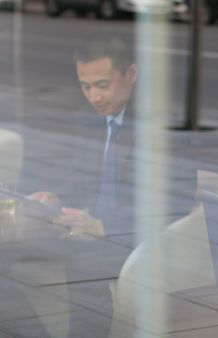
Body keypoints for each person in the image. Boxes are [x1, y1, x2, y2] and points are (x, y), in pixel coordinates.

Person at [30, 35, 194, 239]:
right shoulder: (88, 117)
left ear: (131, 74)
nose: (94, 97)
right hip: (92, 238)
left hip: (137, 247)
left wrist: (103, 228)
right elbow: (84, 180)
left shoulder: (162, 128)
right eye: (86, 87)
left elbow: (172, 205)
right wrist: (55, 198)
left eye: (103, 85)